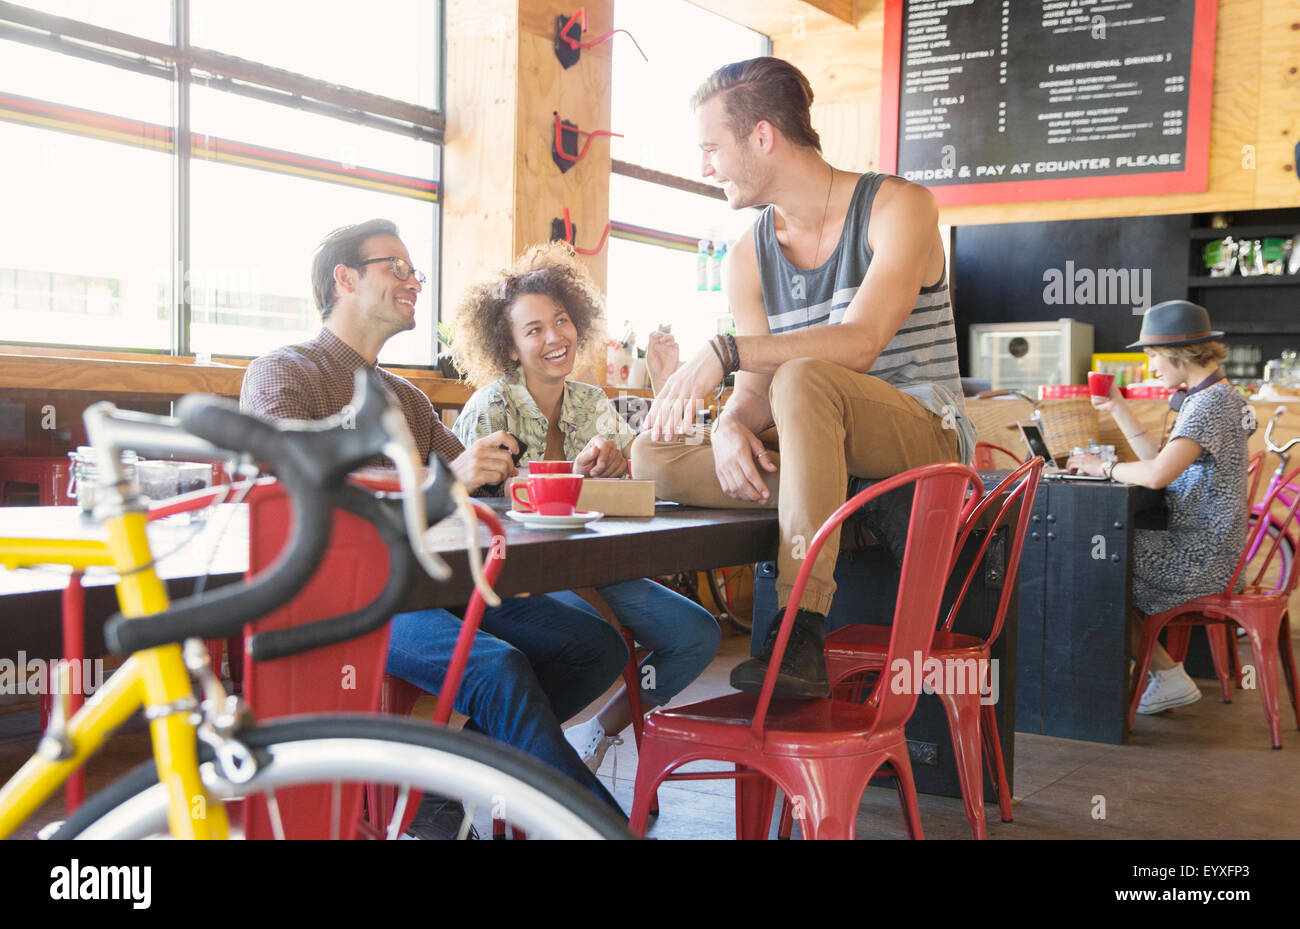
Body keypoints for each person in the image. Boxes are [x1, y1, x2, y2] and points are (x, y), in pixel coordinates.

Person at [239, 219, 629, 830]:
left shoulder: (409, 398)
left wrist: (514, 467)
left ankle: (441, 782)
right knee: (498, 668)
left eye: (414, 271)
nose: (413, 281)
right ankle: (597, 825)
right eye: (395, 267)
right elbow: (299, 497)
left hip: (437, 581)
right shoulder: (285, 373)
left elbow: (483, 483)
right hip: (349, 594)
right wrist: (453, 479)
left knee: (595, 645)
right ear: (344, 279)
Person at [631, 57, 976, 699]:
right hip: (821, 445)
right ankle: (849, 501)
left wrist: (728, 352)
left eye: (712, 148)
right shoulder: (747, 255)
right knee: (650, 455)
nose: (705, 166)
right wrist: (732, 423)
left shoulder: (899, 206)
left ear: (762, 137)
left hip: (922, 436)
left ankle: (799, 630)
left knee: (805, 378)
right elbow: (755, 394)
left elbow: (862, 343)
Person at [450, 242, 721, 771]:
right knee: (597, 644)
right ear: (508, 347)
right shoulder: (491, 406)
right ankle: (504, 756)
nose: (555, 337)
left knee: (695, 636)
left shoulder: (592, 402)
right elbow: (466, 513)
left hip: (595, 564)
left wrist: (620, 460)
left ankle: (595, 732)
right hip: (519, 576)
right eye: (534, 330)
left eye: (562, 321)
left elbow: (657, 472)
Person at [1067, 300, 1256, 715]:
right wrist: (1117, 407)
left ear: (1178, 354)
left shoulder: (1209, 404)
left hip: (1200, 555)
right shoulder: (1214, 396)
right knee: (1096, 552)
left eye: (1152, 355)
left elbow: (1155, 477)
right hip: (1212, 547)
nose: (1151, 365)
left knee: (1092, 556)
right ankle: (1158, 675)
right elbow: (1159, 459)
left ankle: (1162, 676)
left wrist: (1105, 467)